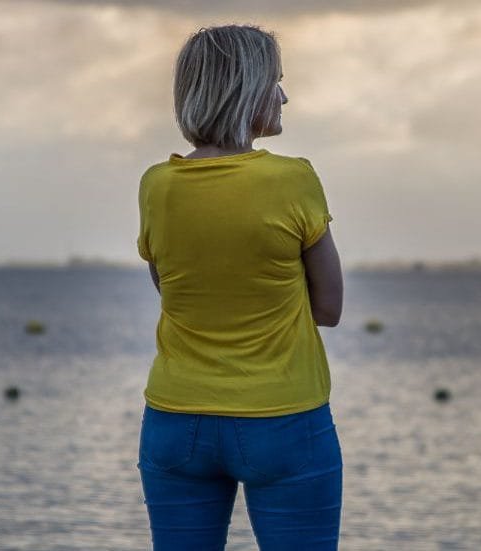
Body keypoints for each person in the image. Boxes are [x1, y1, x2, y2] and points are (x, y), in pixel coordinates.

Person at [135, 25, 344, 551]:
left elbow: (171, 289)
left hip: (176, 420)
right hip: (284, 418)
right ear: (246, 90)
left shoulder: (157, 186)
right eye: (276, 81)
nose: (285, 95)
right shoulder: (293, 179)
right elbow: (330, 307)